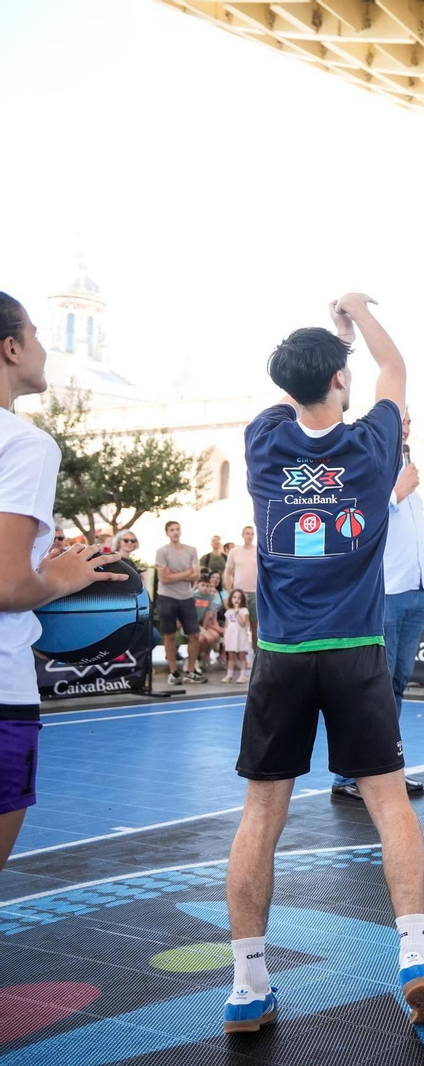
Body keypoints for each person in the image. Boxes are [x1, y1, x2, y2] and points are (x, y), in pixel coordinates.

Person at [226, 292, 424, 1035]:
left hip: (282, 657)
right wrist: (353, 315)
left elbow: (298, 392)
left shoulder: (263, 441)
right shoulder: (372, 446)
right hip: (354, 653)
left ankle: (247, 986)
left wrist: (325, 346)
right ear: (340, 379)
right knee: (389, 807)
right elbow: (396, 367)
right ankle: (415, 959)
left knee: (262, 815)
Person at [0, 292, 130, 872]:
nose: (43, 346)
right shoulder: (23, 443)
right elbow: (8, 586)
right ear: (11, 347)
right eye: (34, 333)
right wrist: (59, 578)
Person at [333, 408, 424, 803]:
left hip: (416, 591)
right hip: (385, 592)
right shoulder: (369, 465)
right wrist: (396, 493)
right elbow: (350, 519)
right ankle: (347, 775)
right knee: (374, 687)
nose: (407, 424)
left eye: (409, 419)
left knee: (397, 685)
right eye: (401, 417)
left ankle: (387, 769)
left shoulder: (408, 474)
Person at [156, 521, 213, 684]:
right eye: (171, 530)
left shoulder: (191, 550)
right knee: (170, 635)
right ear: (167, 533)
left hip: (187, 598)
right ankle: (173, 672)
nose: (175, 532)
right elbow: (164, 579)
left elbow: (196, 575)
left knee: (194, 634)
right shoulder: (162, 552)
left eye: (177, 529)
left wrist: (175, 574)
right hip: (166, 597)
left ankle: (191, 670)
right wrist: (186, 573)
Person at [223, 525, 259, 649]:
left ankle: (256, 653)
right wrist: (230, 591)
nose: (250, 536)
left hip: (255, 592)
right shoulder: (234, 551)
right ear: (243, 535)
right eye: (247, 533)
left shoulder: (258, 550)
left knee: (255, 625)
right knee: (236, 623)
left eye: (252, 534)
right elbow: (228, 573)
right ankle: (236, 654)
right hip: (239, 594)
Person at [222, 589, 252, 683]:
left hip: (240, 637)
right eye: (234, 597)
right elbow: (226, 625)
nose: (236, 600)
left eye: (239, 598)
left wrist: (237, 613)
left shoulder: (244, 611)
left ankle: (243, 675)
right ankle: (229, 675)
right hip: (231, 637)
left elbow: (243, 623)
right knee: (231, 657)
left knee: (242, 656)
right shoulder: (228, 612)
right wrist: (225, 638)